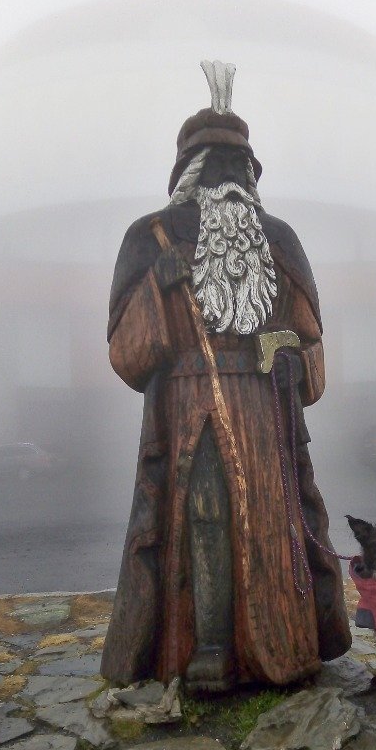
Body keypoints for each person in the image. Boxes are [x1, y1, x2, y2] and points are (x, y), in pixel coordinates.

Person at [100, 60, 351, 692]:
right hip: (191, 405)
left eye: (239, 166)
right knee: (205, 511)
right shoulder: (151, 239)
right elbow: (127, 354)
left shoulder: (279, 240)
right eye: (215, 165)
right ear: (190, 174)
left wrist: (290, 357)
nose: (230, 177)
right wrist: (158, 291)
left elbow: (312, 346)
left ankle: (283, 641)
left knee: (273, 518)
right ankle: (208, 644)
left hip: (264, 404)